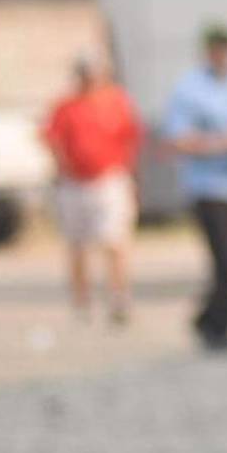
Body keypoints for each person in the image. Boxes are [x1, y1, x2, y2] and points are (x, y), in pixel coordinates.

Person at [164, 25, 227, 351]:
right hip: (209, 186)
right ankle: (219, 329)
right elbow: (180, 141)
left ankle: (207, 318)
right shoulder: (190, 89)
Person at [44, 53, 142, 324]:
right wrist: (63, 168)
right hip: (75, 183)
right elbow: (54, 140)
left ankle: (119, 296)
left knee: (114, 240)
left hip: (108, 179)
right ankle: (81, 299)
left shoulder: (116, 102)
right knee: (78, 245)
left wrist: (131, 176)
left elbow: (130, 140)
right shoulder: (66, 106)